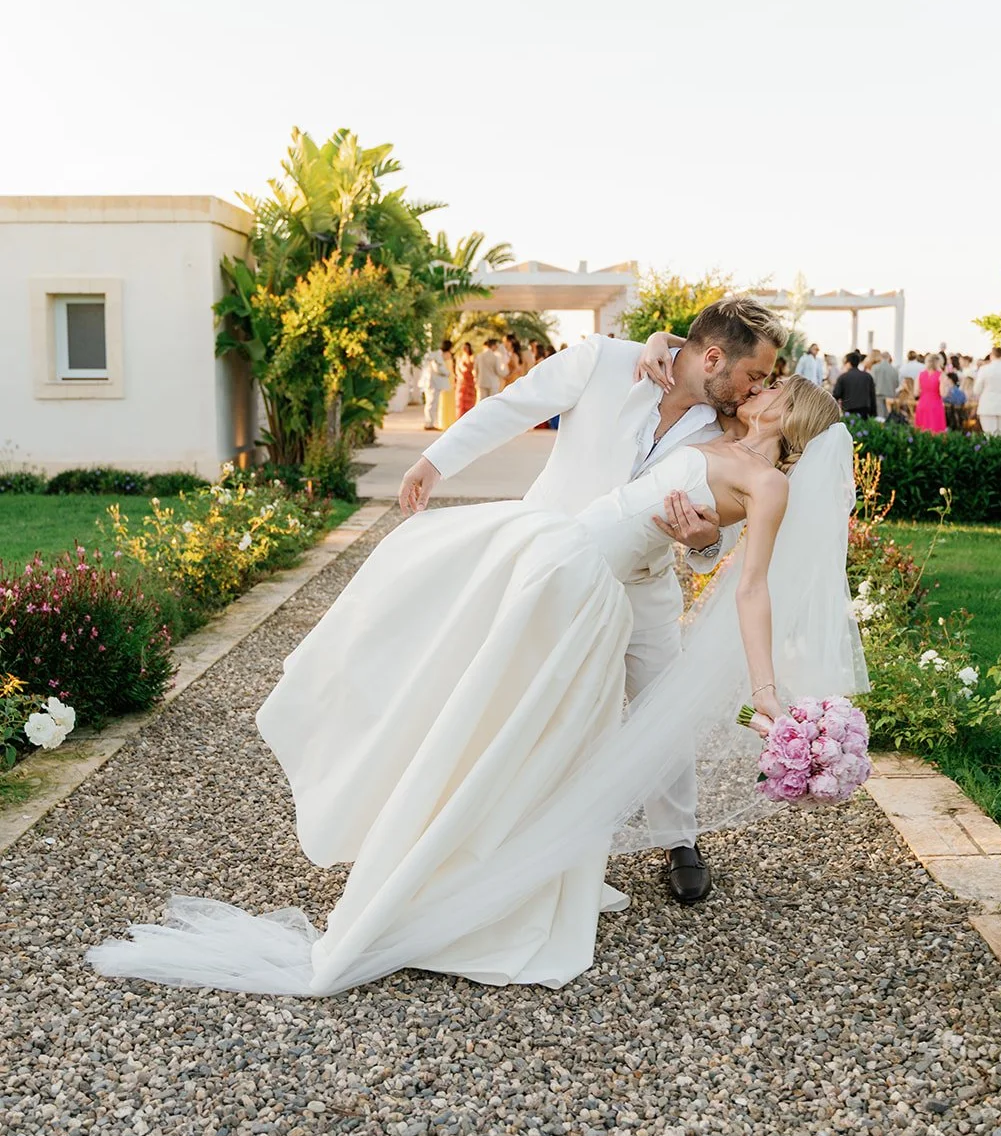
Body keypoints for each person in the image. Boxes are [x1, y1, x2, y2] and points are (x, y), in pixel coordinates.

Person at [88, 372, 863, 997]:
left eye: (768, 386)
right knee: (465, 683)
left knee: (517, 734)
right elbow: (662, 364)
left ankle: (463, 872)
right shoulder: (711, 431)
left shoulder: (767, 487)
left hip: (580, 583)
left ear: (787, 413)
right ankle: (440, 840)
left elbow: (748, 587)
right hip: (552, 549)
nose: (753, 386)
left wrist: (762, 689)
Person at [397, 296, 786, 905]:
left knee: (663, 700)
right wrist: (433, 462)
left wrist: (705, 543)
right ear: (712, 356)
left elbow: (722, 531)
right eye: (752, 373)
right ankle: (499, 823)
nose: (756, 387)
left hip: (644, 583)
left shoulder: (729, 427)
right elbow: (509, 407)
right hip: (551, 567)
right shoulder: (605, 362)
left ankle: (678, 838)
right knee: (529, 694)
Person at [973, 346, 1001, 436]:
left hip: (987, 407)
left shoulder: (984, 369)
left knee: (989, 436)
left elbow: (977, 390)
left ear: (991, 355)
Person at [832, 351, 876, 418]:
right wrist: (874, 414)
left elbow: (836, 395)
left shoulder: (843, 377)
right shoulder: (868, 376)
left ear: (849, 363)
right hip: (864, 410)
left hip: (848, 411)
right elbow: (872, 396)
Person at [418, 345, 451, 431]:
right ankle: (429, 424)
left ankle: (430, 422)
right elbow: (438, 368)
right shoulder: (437, 356)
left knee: (431, 403)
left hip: (432, 383)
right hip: (433, 384)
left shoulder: (435, 355)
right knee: (431, 403)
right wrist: (447, 373)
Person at [914, 354, 947, 434]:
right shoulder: (941, 375)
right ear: (938, 363)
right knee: (936, 431)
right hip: (935, 405)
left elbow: (915, 393)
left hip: (922, 404)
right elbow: (943, 393)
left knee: (921, 430)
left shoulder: (920, 374)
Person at [871, 352, 899, 421]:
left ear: (881, 358)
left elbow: (872, 382)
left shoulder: (875, 367)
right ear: (889, 358)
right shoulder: (894, 369)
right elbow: (896, 384)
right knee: (889, 416)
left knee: (880, 417)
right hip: (890, 396)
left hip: (878, 394)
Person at [436, 339, 457, 430]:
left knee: (447, 401)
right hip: (447, 379)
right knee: (445, 401)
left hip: (450, 379)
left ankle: (447, 421)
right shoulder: (443, 356)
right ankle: (446, 422)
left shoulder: (445, 355)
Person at [455, 342, 476, 418]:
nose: (464, 349)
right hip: (461, 380)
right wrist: (461, 377)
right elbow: (457, 369)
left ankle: (469, 415)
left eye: (466, 347)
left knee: (469, 398)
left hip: (469, 379)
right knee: (461, 399)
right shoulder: (459, 357)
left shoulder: (471, 357)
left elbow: (473, 368)